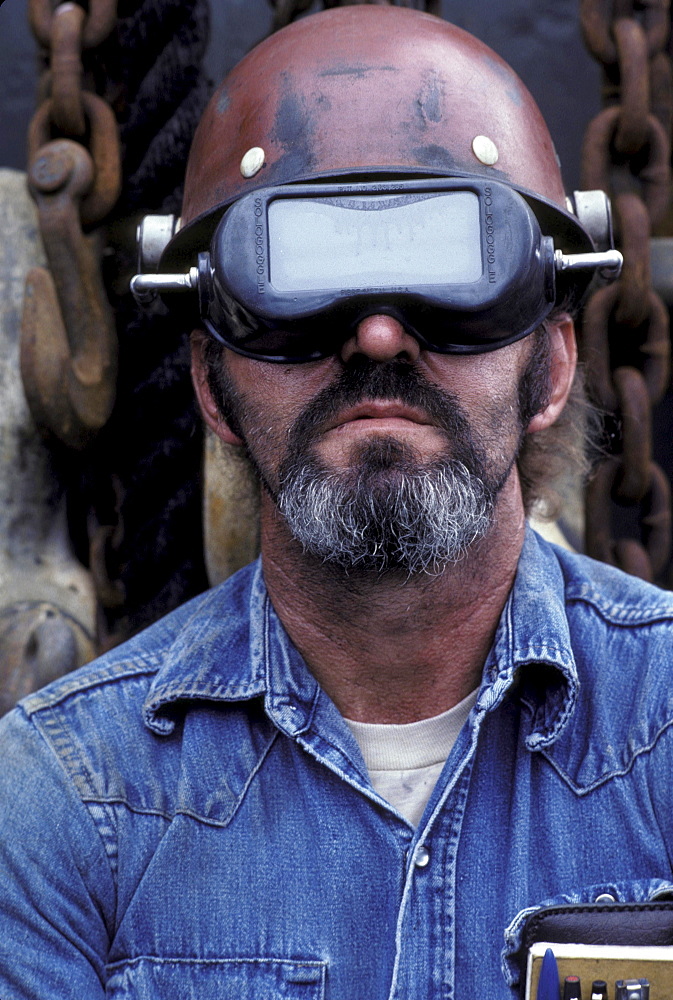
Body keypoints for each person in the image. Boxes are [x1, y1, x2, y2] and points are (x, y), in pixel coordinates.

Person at [1, 7, 672, 999]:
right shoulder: (64, 800)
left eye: (451, 274)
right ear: (208, 380)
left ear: (555, 362)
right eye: (305, 287)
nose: (378, 336)